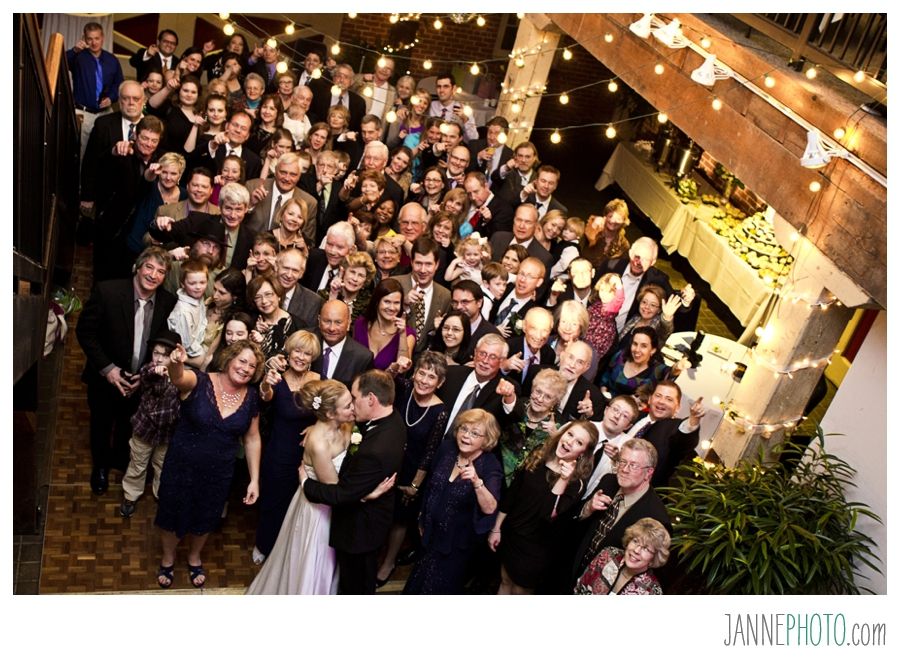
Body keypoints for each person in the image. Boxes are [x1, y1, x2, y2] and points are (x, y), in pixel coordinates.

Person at [154, 339, 264, 588]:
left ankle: (194, 557)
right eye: (242, 361)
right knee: (172, 513)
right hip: (182, 464)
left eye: (251, 366)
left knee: (205, 517)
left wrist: (254, 479)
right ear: (230, 359)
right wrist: (176, 364)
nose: (245, 368)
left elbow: (252, 438)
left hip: (218, 472)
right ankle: (168, 558)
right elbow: (179, 379)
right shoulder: (200, 380)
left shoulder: (252, 397)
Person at [76, 246, 177, 495]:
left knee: (127, 424)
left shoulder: (168, 302)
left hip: (141, 380)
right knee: (101, 423)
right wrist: (108, 370)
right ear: (138, 266)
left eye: (161, 271)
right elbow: (85, 333)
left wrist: (146, 375)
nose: (153, 275)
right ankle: (100, 466)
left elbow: (164, 344)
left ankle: (121, 460)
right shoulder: (107, 291)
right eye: (149, 267)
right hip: (105, 378)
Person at [302, 370, 406, 594]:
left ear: (371, 399)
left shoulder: (375, 451)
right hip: (369, 520)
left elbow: (341, 494)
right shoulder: (392, 418)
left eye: (355, 398)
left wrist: (305, 484)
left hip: (359, 531)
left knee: (355, 586)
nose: (352, 403)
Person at [491, 420, 599, 593]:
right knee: (504, 582)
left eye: (579, 442)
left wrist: (563, 479)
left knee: (519, 592)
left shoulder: (575, 483)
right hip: (512, 535)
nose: (570, 442)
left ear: (583, 453)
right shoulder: (539, 454)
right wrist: (496, 527)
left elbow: (547, 513)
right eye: (570, 434)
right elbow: (513, 493)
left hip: (535, 549)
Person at [403, 409, 502, 594]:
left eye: (474, 433)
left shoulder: (490, 465)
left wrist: (476, 482)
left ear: (486, 439)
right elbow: (431, 484)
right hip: (429, 535)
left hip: (455, 545)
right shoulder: (447, 448)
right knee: (417, 583)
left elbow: (490, 508)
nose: (466, 436)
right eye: (464, 429)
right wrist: (422, 516)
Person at [375, 352, 449, 587]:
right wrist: (394, 369)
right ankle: (371, 554)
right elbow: (382, 383)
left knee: (400, 520)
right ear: (415, 373)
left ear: (440, 383)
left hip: (412, 472)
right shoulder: (404, 387)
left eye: (432, 377)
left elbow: (430, 452)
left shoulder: (440, 412)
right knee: (378, 511)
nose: (425, 380)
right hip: (386, 461)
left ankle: (388, 562)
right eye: (422, 373)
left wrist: (415, 485)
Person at [251, 330, 321, 564]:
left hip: (308, 457)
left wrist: (316, 427)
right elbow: (265, 396)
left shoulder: (320, 381)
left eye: (307, 353)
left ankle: (289, 552)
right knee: (273, 503)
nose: (301, 357)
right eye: (297, 351)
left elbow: (331, 413)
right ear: (288, 352)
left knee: (299, 507)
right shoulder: (276, 378)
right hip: (279, 454)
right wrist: (265, 385)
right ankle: (264, 545)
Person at [569, 439, 671, 588]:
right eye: (622, 462)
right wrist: (588, 508)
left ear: (648, 473)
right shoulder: (609, 481)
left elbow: (645, 572)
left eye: (633, 465)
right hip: (571, 571)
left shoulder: (656, 518)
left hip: (602, 587)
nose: (624, 469)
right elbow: (577, 523)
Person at [119, 328, 182, 518]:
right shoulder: (149, 370)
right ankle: (131, 495)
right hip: (144, 429)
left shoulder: (181, 375)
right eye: (156, 353)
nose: (159, 358)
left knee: (162, 465)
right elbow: (148, 374)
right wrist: (156, 371)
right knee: (138, 463)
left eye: (165, 355)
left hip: (167, 433)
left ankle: (160, 493)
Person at [625, 380, 705, 487]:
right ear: (650, 399)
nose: (661, 401)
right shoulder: (634, 415)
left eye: (669, 399)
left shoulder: (674, 428)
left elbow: (683, 440)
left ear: (677, 408)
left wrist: (693, 420)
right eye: (658, 396)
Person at [498, 368, 569, 485]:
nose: (540, 399)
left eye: (547, 397)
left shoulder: (559, 425)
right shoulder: (518, 405)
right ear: (532, 389)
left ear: (555, 401)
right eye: (538, 391)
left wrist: (555, 438)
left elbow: (556, 461)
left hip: (524, 485)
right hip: (496, 473)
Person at [67, 21, 124, 160]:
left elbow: (119, 84)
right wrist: (74, 50)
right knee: (81, 154)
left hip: (106, 114)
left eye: (97, 38)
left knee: (106, 152)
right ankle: (80, 182)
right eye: (90, 39)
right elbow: (61, 63)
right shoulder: (78, 57)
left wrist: (111, 97)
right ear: (84, 39)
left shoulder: (112, 60)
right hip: (83, 114)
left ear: (102, 37)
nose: (94, 42)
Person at [574, 517, 671, 595]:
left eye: (646, 548)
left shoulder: (652, 592)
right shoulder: (608, 555)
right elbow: (580, 587)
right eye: (635, 541)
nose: (636, 550)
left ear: (654, 557)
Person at [393, 237, 451, 358]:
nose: (423, 270)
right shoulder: (394, 285)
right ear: (411, 262)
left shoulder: (446, 295)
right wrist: (403, 305)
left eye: (428, 264)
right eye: (418, 263)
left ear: (437, 264)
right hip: (393, 356)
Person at [583, 395, 640, 497]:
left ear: (628, 426)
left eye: (625, 416)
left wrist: (618, 461)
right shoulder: (583, 428)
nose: (617, 416)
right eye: (615, 409)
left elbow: (626, 484)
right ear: (606, 410)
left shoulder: (629, 449)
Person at [352, 278, 415, 371]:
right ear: (377, 302)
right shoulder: (360, 324)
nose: (392, 308)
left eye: (396, 303)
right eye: (387, 302)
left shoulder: (408, 334)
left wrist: (402, 334)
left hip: (388, 384)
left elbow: (403, 368)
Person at [599, 326, 673, 400]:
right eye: (635, 344)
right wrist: (603, 390)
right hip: (606, 400)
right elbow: (607, 374)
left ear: (653, 350)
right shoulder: (621, 356)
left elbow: (672, 375)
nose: (637, 350)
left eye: (644, 346)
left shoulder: (658, 370)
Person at [312, 299, 374, 385]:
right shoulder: (306, 341)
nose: (332, 328)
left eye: (338, 322)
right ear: (319, 320)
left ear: (348, 323)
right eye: (327, 321)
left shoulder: (362, 357)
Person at [615, 284, 682, 356]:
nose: (646, 307)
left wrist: (667, 317)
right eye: (644, 302)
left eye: (653, 305)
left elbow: (666, 330)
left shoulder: (658, 326)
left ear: (659, 310)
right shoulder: (635, 318)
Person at [461, 171, 514, 238]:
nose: (473, 197)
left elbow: (497, 240)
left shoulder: (504, 210)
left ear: (486, 186)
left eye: (476, 191)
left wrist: (487, 222)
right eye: (469, 194)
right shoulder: (467, 202)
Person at [581, 198, 631, 268]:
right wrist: (594, 226)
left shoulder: (624, 245)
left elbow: (620, 268)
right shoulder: (594, 226)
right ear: (605, 216)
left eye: (618, 219)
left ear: (624, 221)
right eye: (610, 216)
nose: (613, 221)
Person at [428, 72, 478, 142]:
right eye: (439, 86)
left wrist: (465, 120)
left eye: (446, 86)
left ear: (454, 89)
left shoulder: (464, 110)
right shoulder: (430, 105)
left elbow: (474, 139)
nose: (441, 90)